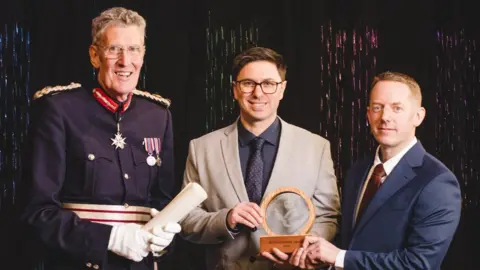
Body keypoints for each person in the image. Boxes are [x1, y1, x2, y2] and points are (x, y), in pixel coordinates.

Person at [19, 7, 181, 270]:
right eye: (114, 49)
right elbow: (38, 213)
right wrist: (111, 237)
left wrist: (164, 242)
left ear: (143, 54)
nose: (125, 61)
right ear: (95, 56)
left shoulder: (158, 115)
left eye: (134, 49)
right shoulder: (60, 110)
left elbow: (161, 202)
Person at [179, 47, 341, 269]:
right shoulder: (201, 148)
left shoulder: (316, 147)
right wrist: (226, 219)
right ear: (235, 89)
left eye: (268, 84)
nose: (258, 93)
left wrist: (305, 246)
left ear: (282, 89)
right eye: (248, 83)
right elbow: (186, 219)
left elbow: (328, 217)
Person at [290, 71, 462, 270]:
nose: (385, 117)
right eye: (377, 107)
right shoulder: (358, 171)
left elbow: (420, 264)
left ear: (418, 116)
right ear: (368, 114)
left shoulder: (437, 182)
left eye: (397, 108)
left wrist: (339, 257)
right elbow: (351, 242)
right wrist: (314, 253)